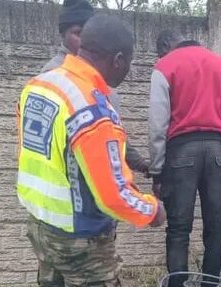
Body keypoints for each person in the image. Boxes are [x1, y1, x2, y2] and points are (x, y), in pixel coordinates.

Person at [17, 14, 165, 287]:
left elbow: (55, 158)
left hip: (42, 226)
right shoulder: (91, 107)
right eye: (129, 62)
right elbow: (112, 195)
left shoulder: (41, 85)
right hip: (81, 239)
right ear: (117, 59)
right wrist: (152, 210)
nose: (128, 70)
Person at [147, 33, 221, 287]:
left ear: (167, 47)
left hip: (181, 152)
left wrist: (157, 170)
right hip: (217, 151)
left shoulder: (165, 66)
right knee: (217, 226)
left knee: (179, 228)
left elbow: (157, 123)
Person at [42, 0, 149, 175]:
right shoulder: (53, 76)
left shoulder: (99, 73)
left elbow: (109, 129)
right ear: (63, 35)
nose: (84, 40)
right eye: (78, 33)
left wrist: (137, 161)